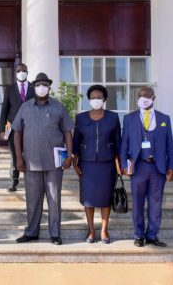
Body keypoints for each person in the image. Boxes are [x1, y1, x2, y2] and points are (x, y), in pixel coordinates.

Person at [12, 72, 74, 246]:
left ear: (49, 87)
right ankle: (31, 232)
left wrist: (70, 155)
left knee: (54, 199)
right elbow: (17, 132)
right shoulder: (25, 107)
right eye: (38, 84)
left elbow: (67, 132)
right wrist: (18, 158)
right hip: (30, 162)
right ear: (33, 86)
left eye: (45, 84)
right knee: (32, 200)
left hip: (54, 163)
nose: (42, 87)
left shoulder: (58, 107)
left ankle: (55, 233)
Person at [121, 86, 173, 248]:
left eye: (146, 95)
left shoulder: (164, 118)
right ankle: (138, 235)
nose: (143, 97)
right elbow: (124, 143)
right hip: (138, 167)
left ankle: (152, 235)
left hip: (157, 168)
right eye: (140, 95)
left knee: (155, 203)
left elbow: (170, 145)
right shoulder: (129, 118)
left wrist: (171, 166)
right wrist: (124, 164)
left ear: (153, 97)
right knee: (137, 203)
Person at [72, 84, 121, 244]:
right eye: (92, 98)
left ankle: (104, 230)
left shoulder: (113, 117)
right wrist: (74, 162)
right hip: (87, 163)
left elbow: (118, 142)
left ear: (104, 99)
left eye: (99, 97)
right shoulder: (80, 118)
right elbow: (76, 142)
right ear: (88, 100)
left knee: (105, 197)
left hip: (107, 164)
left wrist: (120, 163)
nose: (95, 100)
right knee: (88, 198)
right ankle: (91, 229)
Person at [0, 63, 35, 192]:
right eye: (19, 70)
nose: (22, 72)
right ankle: (13, 181)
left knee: (30, 154)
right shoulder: (10, 89)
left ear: (27, 72)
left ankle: (30, 182)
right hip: (13, 128)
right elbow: (4, 109)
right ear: (16, 73)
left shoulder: (34, 88)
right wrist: (2, 129)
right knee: (15, 155)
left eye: (24, 70)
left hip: (31, 128)